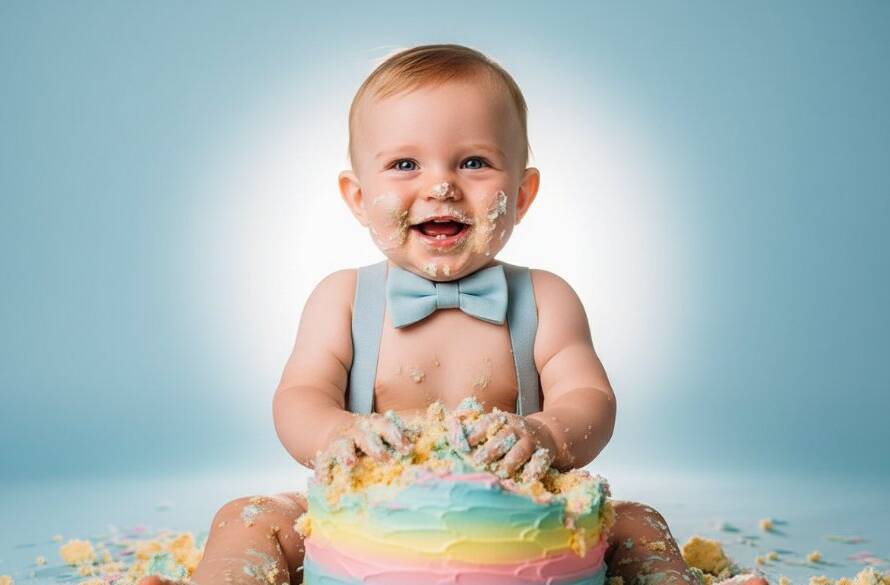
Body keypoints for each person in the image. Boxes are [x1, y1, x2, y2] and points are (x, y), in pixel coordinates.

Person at [143, 43, 766, 585]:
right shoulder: (341, 298)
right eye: (405, 164)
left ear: (521, 194)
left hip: (517, 522)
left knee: (636, 522)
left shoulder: (546, 298)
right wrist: (336, 434)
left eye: (473, 162)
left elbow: (591, 398)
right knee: (248, 518)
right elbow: (299, 396)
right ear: (358, 198)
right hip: (367, 521)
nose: (440, 186)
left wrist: (546, 434)